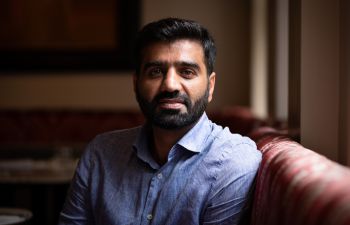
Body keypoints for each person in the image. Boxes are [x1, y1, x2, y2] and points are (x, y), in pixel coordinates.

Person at [59, 18, 262, 225]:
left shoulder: (233, 162)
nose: (170, 85)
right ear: (136, 84)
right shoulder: (99, 155)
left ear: (210, 87)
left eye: (187, 72)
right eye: (155, 72)